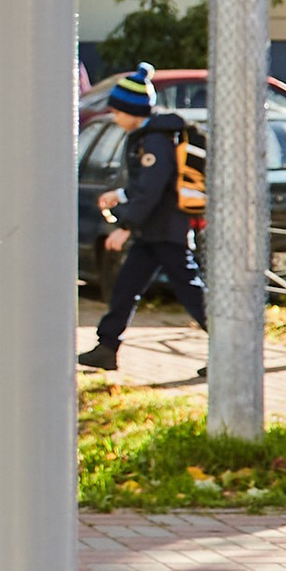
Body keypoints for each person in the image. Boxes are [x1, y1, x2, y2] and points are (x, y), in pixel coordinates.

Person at [81, 63, 208, 371]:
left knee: (191, 291)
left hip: (166, 230)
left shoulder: (154, 140)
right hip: (153, 231)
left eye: (118, 111)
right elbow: (146, 185)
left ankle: (233, 349)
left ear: (134, 110)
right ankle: (107, 346)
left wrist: (125, 226)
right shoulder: (147, 136)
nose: (115, 116)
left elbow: (153, 190)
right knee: (126, 287)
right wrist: (122, 195)